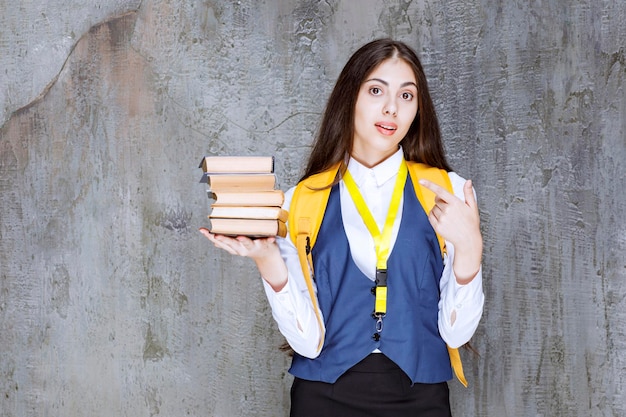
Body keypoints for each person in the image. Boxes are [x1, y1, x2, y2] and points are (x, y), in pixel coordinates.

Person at [200, 38, 484, 417]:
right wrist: (268, 260)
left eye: (406, 96)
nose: (391, 108)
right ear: (350, 96)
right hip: (324, 397)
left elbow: (456, 334)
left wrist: (471, 250)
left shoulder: (448, 192)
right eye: (376, 90)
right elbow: (309, 342)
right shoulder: (299, 201)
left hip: (421, 398)